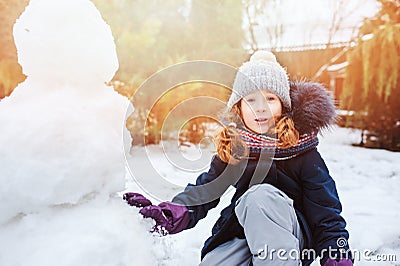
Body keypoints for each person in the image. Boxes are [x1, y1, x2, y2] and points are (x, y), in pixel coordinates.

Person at [123, 51, 353, 266]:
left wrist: (336, 255)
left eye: (270, 99)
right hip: (244, 233)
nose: (260, 108)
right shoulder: (237, 150)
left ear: (283, 106)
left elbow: (326, 214)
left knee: (259, 196)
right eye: (251, 100)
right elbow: (204, 192)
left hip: (291, 241)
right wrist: (169, 213)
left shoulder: (304, 153)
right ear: (239, 108)